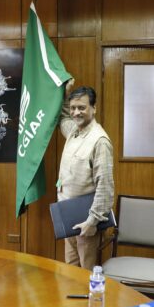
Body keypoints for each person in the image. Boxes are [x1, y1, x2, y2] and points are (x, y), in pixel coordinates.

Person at [57, 82, 114, 271]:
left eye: (82, 108)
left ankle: (89, 302)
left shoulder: (100, 141)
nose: (76, 112)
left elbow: (105, 187)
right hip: (68, 215)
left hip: (87, 221)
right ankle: (72, 303)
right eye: (73, 108)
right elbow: (63, 116)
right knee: (70, 270)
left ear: (94, 109)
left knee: (86, 274)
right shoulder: (73, 130)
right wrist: (64, 92)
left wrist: (92, 222)